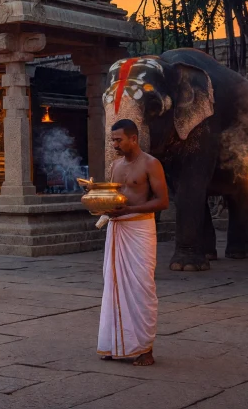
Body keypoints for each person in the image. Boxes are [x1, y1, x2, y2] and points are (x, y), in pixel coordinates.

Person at [97, 119, 168, 367]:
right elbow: (113, 196)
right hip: (117, 228)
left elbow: (162, 201)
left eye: (118, 140)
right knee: (113, 285)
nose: (114, 144)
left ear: (133, 138)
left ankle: (144, 349)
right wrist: (100, 203)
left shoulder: (151, 164)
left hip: (139, 227)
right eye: (113, 140)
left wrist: (129, 210)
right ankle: (115, 345)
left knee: (141, 288)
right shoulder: (115, 165)